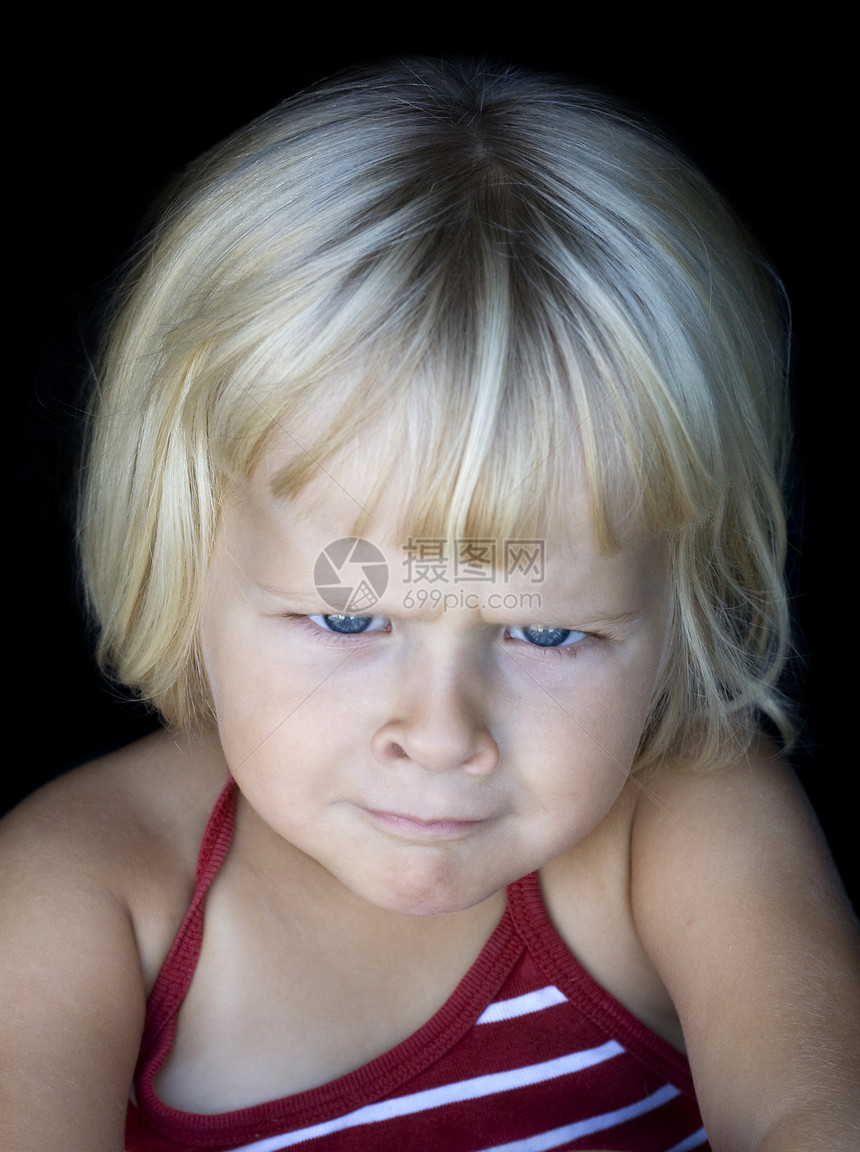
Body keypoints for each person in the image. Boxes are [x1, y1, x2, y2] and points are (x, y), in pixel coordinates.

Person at [1, 59, 857, 1152]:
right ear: (187, 557)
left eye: (545, 630)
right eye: (350, 619)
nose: (441, 735)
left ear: (675, 604)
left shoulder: (679, 817)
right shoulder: (84, 892)